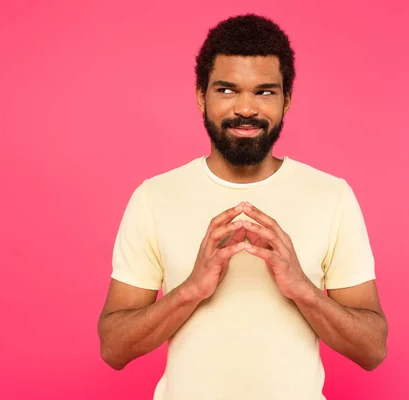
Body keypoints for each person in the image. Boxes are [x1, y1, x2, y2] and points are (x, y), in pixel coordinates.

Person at [97, 13, 388, 400]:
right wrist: (191, 290)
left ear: (287, 100)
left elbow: (373, 349)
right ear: (202, 96)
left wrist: (302, 289)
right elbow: (113, 348)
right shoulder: (155, 197)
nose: (246, 109)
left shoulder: (331, 196)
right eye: (227, 90)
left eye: (265, 91)